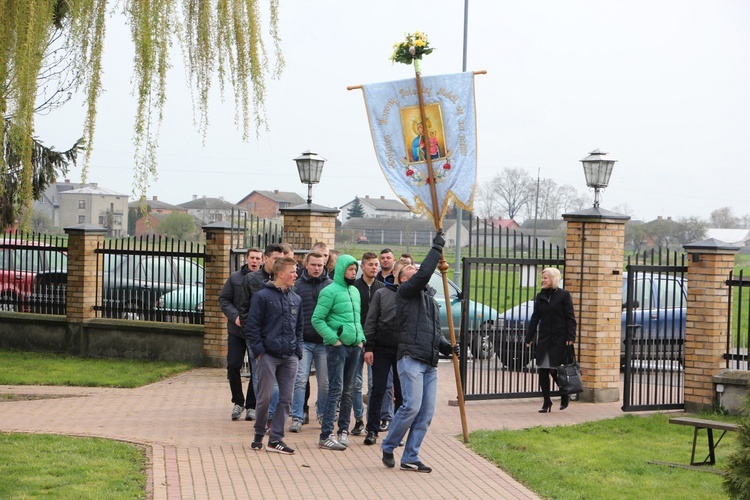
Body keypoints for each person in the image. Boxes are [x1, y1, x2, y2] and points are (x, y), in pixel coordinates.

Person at [380, 229, 458, 473]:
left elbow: (434, 332)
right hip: (410, 358)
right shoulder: (405, 293)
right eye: (410, 269)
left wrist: (446, 346)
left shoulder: (430, 300)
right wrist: (436, 248)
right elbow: (424, 274)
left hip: (429, 361)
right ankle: (389, 445)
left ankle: (410, 457)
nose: (414, 268)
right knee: (411, 406)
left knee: (425, 413)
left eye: (414, 267)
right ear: (403, 279)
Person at [245, 257, 303, 455]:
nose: (296, 275)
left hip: (290, 356)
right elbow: (252, 327)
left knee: (286, 399)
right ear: (280, 274)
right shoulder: (262, 296)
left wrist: (298, 352)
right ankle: (259, 434)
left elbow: (299, 328)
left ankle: (276, 439)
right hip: (268, 355)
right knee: (265, 398)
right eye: (293, 272)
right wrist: (259, 352)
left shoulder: (296, 299)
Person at [312, 254, 365, 451]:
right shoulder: (329, 291)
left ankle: (344, 430)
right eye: (351, 269)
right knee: (336, 388)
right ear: (342, 270)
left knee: (349, 390)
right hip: (337, 348)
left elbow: (356, 318)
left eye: (355, 270)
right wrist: (334, 340)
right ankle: (326, 434)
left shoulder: (355, 292)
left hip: (354, 346)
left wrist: (361, 339)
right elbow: (317, 319)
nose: (354, 273)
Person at [362, 258, 406, 446]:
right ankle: (372, 429)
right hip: (381, 348)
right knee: (378, 389)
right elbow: (371, 321)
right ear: (395, 274)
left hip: (403, 350)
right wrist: (369, 347)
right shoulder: (381, 294)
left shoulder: (412, 295)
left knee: (402, 392)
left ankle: (397, 432)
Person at [289, 251, 331, 433]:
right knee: (299, 380)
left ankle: (322, 413)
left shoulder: (330, 286)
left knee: (325, 382)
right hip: (303, 341)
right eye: (313, 264)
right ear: (306, 265)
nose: (316, 268)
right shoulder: (297, 285)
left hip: (324, 342)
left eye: (320, 265)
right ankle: (297, 416)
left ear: (324, 266)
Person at [524, 267, 576, 413]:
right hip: (545, 338)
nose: (542, 280)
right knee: (542, 370)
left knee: (555, 370)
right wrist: (529, 337)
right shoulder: (540, 296)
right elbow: (535, 318)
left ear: (553, 279)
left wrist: (570, 337)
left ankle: (564, 393)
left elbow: (570, 318)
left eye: (545, 278)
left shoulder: (563, 295)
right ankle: (546, 402)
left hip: (560, 339)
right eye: (542, 278)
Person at [219, 248, 260, 421]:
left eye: (258, 258)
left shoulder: (264, 280)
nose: (254, 261)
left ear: (263, 260)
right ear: (246, 258)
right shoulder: (234, 278)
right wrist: (235, 316)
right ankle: (238, 401)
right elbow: (224, 300)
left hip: (255, 332)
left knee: (256, 370)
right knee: (233, 366)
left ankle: (252, 405)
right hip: (236, 331)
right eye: (252, 258)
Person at [351, 252, 384, 436]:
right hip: (357, 340)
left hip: (376, 342)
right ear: (362, 267)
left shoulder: (381, 288)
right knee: (355, 382)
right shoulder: (354, 288)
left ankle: (374, 420)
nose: (374, 267)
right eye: (370, 264)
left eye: (376, 264)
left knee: (374, 384)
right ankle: (358, 419)